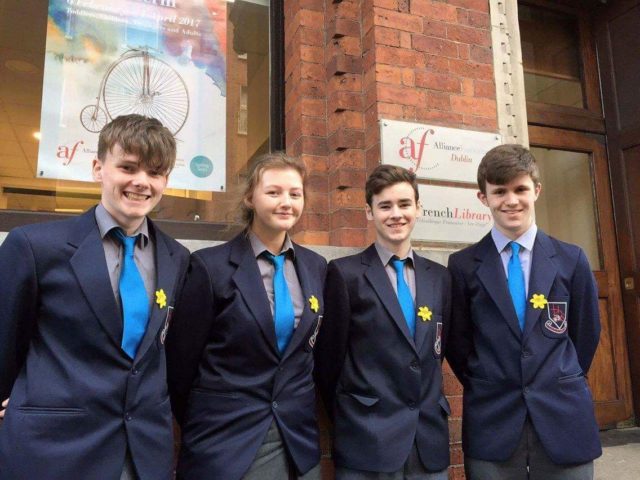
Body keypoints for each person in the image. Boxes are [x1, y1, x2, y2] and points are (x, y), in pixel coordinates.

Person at [0, 114, 190, 480]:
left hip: (143, 452)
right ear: (98, 168)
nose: (141, 182)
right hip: (55, 450)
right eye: (128, 167)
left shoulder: (176, 257)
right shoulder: (35, 247)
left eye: (155, 172)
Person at [167, 152, 327, 480]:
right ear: (249, 198)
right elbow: (180, 365)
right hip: (227, 442)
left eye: (295, 194)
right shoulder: (209, 267)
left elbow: (315, 354)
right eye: (273, 192)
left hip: (298, 440)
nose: (286, 202)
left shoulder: (316, 267)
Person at [446, 144, 601, 479]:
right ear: (483, 198)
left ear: (537, 190)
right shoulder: (462, 266)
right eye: (499, 191)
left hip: (562, 415)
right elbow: (458, 344)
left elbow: (585, 334)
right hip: (493, 416)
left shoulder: (571, 260)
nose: (511, 200)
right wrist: (486, 377)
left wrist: (559, 374)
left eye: (520, 189)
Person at [315, 164, 452, 479]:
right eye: (385, 206)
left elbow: (435, 350)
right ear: (369, 212)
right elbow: (329, 361)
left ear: (418, 208)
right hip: (367, 437)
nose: (396, 214)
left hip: (426, 441)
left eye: (404, 204)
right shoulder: (345, 274)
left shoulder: (440, 277)